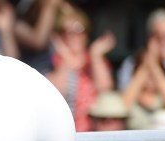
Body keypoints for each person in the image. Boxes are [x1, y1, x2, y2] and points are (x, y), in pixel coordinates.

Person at [44, 4, 115, 133]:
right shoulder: (54, 62)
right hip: (66, 135)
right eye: (66, 31)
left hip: (95, 134)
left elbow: (105, 89)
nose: (73, 35)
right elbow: (55, 94)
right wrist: (65, 57)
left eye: (79, 30)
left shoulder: (93, 60)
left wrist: (95, 55)